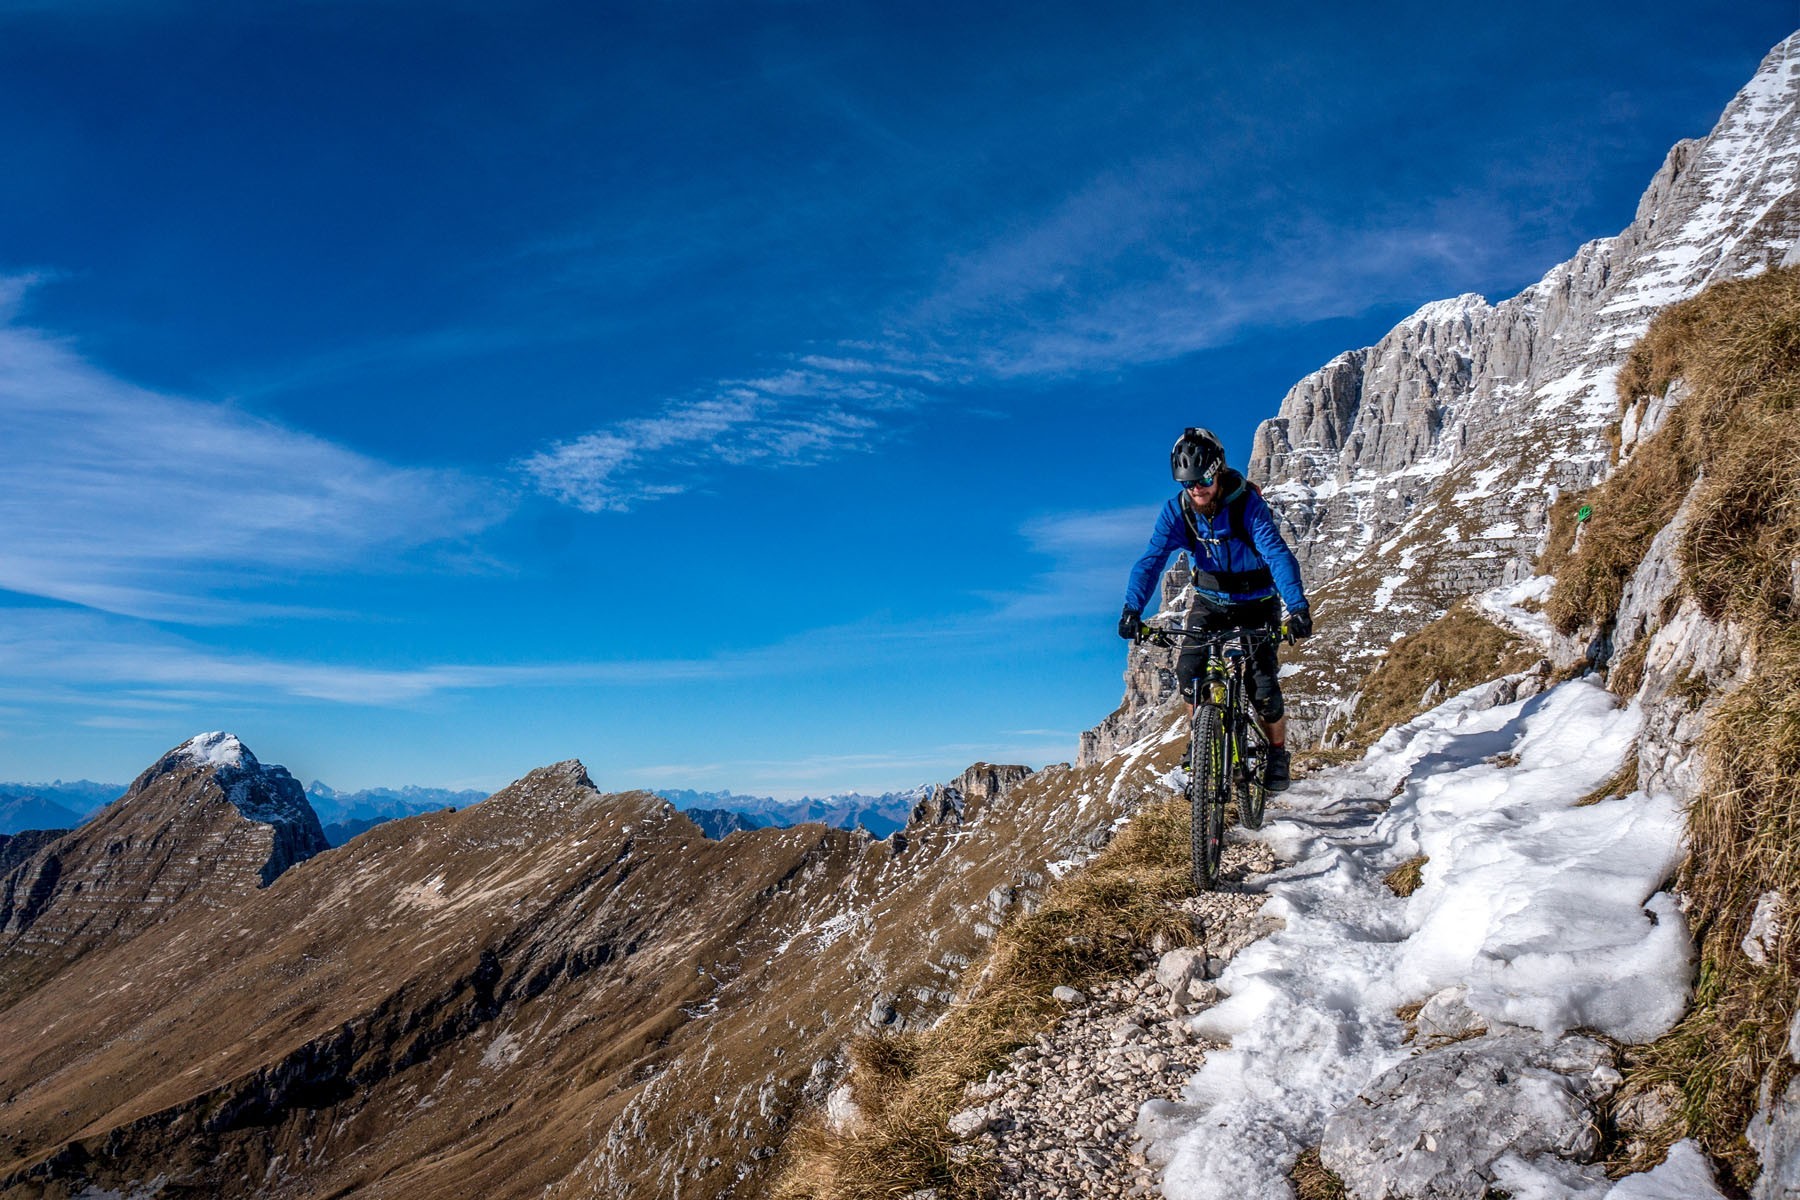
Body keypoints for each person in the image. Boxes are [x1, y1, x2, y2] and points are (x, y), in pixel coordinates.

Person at [1117, 427, 1312, 791]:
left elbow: (1277, 554)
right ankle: (1200, 739)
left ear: (1218, 471)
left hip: (1258, 602)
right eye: (1188, 483)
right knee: (1188, 671)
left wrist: (1298, 607)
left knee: (1263, 687)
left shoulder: (1247, 506)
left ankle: (1277, 753)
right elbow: (1152, 560)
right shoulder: (1178, 512)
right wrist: (1132, 608)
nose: (1197, 490)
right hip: (1209, 601)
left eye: (1204, 480)